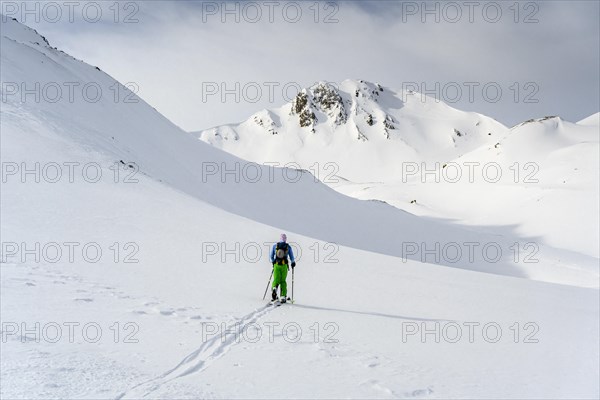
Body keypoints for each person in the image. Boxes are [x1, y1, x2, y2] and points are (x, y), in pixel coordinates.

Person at [270, 233, 296, 303]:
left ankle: (274, 288)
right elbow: (292, 257)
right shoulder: (288, 247)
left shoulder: (275, 246)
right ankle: (283, 296)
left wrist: (273, 262)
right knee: (283, 280)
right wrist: (293, 263)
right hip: (284, 266)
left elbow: (271, 256)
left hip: (276, 265)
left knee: (276, 279)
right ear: (285, 239)